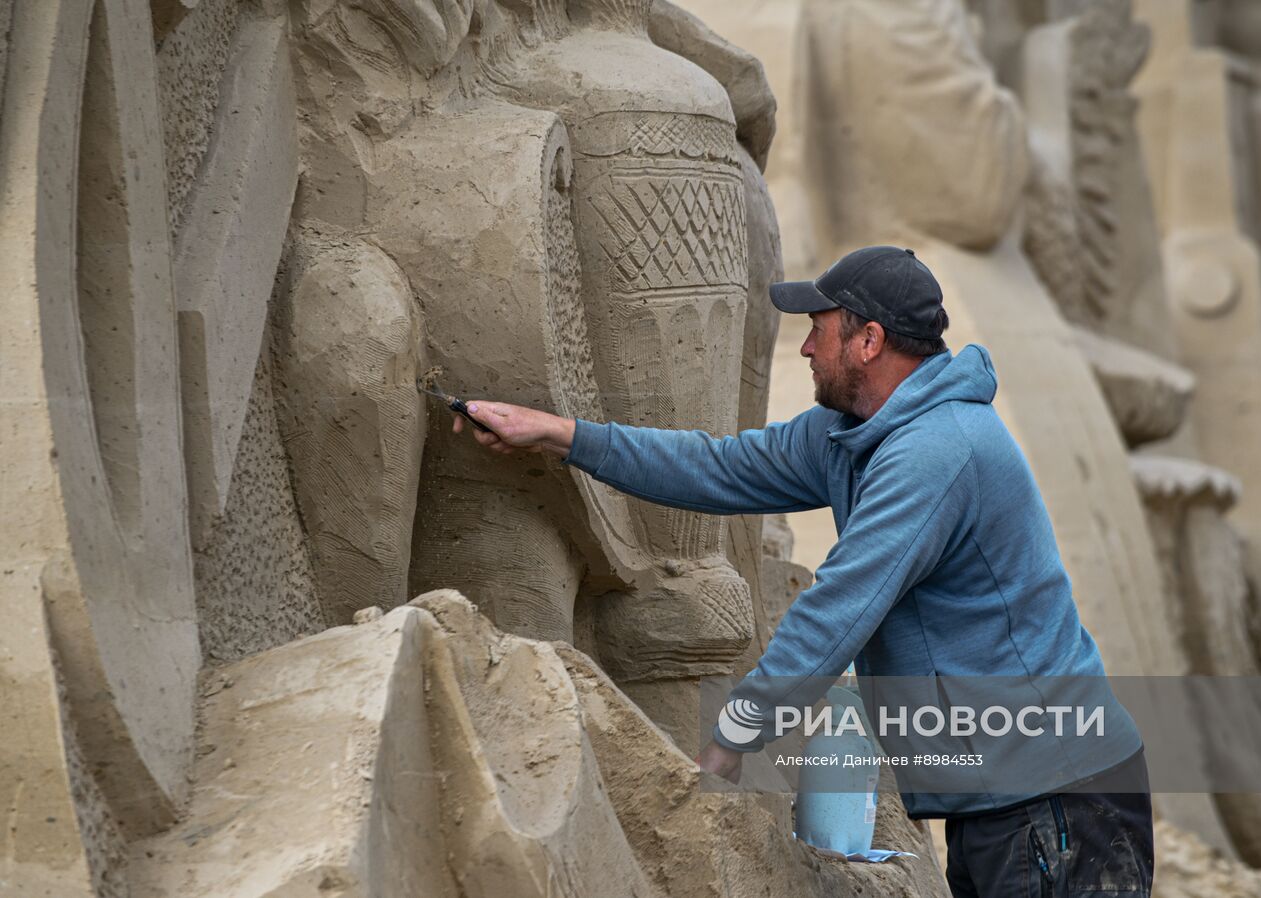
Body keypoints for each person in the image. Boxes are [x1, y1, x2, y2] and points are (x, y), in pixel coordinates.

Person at [454, 245, 1154, 896]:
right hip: (1006, 797)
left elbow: (840, 608)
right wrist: (557, 434)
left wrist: (734, 738)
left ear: (869, 341)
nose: (807, 346)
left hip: (1060, 797)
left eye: (820, 329)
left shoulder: (937, 452)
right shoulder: (851, 434)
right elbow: (716, 467)